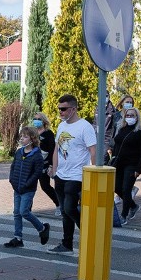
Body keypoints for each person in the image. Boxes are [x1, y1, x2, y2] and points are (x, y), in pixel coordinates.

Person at [48, 94, 96, 255]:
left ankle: (90, 236)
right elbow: (56, 149)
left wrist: (94, 172)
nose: (60, 112)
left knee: (69, 208)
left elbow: (93, 151)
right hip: (60, 175)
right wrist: (54, 170)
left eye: (63, 109)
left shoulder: (85, 127)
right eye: (59, 109)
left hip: (77, 175)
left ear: (73, 109)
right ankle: (67, 244)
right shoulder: (62, 126)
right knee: (64, 211)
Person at [5, 126, 50, 248]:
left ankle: (42, 228)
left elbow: (37, 173)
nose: (22, 139)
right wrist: (12, 179)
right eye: (22, 136)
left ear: (32, 139)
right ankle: (18, 238)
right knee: (16, 213)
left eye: (25, 137)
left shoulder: (37, 155)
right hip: (17, 188)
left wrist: (27, 184)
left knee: (24, 211)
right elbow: (13, 166)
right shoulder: (19, 152)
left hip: (28, 189)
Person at [112, 106, 141, 224]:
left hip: (132, 164)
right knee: (117, 187)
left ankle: (124, 215)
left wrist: (139, 169)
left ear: (137, 117)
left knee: (126, 189)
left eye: (132, 115)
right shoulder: (121, 129)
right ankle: (133, 206)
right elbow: (116, 145)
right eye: (127, 115)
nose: (129, 117)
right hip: (119, 163)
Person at [32, 111, 61, 216]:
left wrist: (51, 165)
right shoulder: (33, 133)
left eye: (38, 119)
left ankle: (59, 204)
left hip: (45, 164)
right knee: (30, 185)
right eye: (35, 119)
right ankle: (27, 208)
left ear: (44, 121)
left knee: (45, 186)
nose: (36, 121)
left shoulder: (48, 134)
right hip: (33, 164)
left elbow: (52, 149)